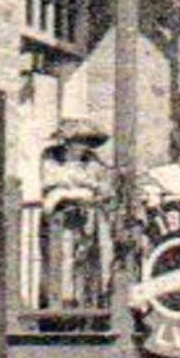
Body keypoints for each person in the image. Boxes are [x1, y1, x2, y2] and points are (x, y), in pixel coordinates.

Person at [40, 119, 113, 310]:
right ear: (67, 141)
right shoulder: (50, 156)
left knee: (87, 256)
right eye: (77, 141)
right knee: (59, 256)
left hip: (86, 216)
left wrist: (67, 192)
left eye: (85, 141)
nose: (81, 146)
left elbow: (100, 187)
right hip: (59, 217)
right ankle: (60, 301)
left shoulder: (93, 161)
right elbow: (50, 181)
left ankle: (85, 301)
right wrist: (67, 191)